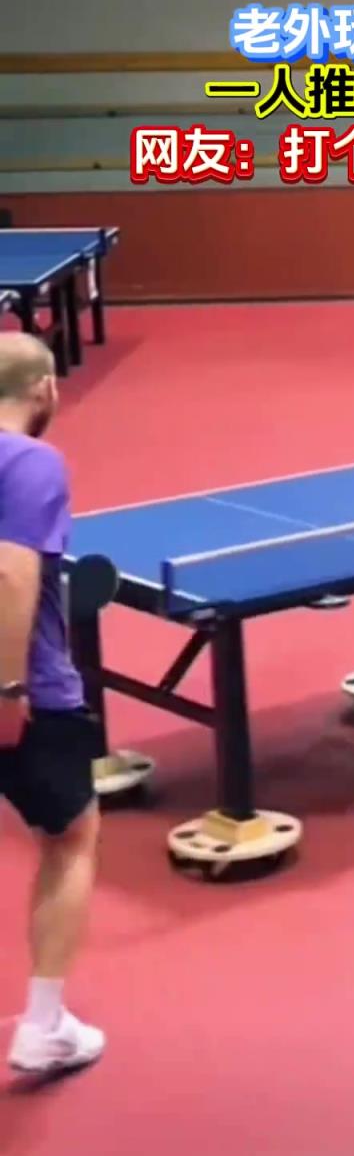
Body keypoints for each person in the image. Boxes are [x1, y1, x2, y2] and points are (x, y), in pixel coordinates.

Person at [0, 333, 104, 1072]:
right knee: (71, 839)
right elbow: (10, 576)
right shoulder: (30, 462)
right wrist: (9, 689)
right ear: (44, 390)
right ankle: (44, 1026)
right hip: (28, 689)